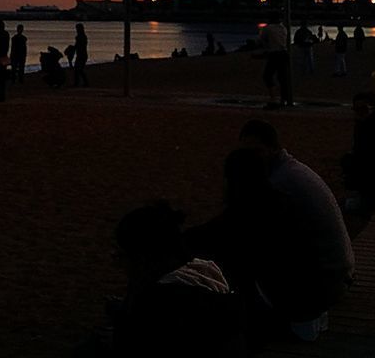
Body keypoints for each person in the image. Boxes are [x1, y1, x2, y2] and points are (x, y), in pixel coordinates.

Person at [185, 148, 322, 348]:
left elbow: (211, 234)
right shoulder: (280, 202)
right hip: (309, 310)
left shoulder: (249, 214)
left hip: (287, 314)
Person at [238, 119, 354, 329]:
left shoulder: (280, 183)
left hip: (325, 283)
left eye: (255, 151)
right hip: (338, 274)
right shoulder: (293, 170)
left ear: (272, 148)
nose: (250, 159)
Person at [102, 201, 242, 358]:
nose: (121, 266)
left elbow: (133, 343)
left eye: (122, 257)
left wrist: (132, 300)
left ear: (141, 259)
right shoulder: (206, 271)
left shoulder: (161, 302)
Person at [258, 21, 290, 105]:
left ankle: (273, 97)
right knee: (282, 77)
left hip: (274, 53)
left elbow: (261, 40)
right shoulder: (283, 28)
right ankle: (283, 98)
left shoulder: (268, 29)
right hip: (283, 53)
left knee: (267, 75)